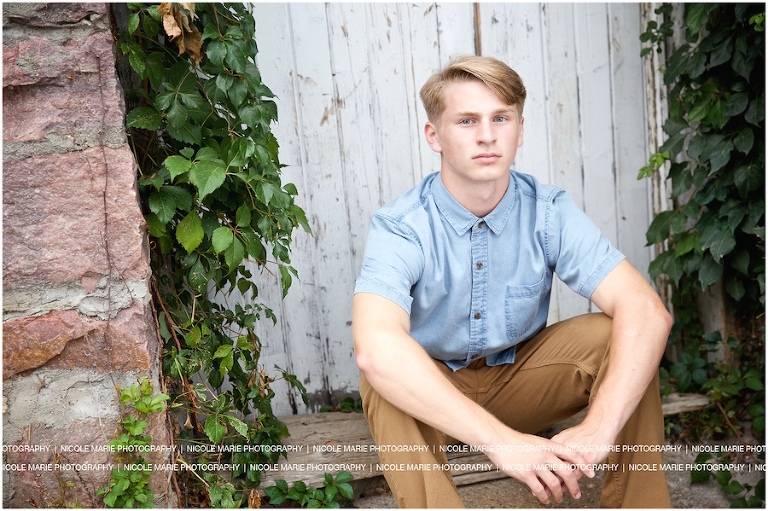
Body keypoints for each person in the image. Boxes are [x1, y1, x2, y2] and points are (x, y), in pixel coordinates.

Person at [352, 55, 673, 508]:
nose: (487, 135)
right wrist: (505, 444)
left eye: (500, 118)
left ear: (519, 130)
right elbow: (375, 347)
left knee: (620, 334)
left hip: (521, 383)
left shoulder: (548, 211)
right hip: (435, 398)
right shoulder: (402, 226)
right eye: (467, 121)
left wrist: (598, 428)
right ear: (434, 135)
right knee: (383, 374)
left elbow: (646, 312)